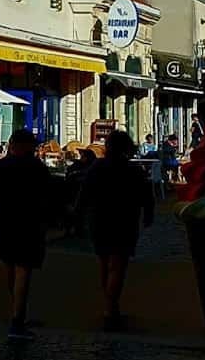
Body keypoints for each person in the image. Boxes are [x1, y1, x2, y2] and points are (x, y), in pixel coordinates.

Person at [0, 129, 52, 342]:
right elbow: (48, 199)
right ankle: (17, 319)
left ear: (12, 145)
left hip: (5, 224)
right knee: (23, 272)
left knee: (10, 268)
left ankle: (17, 311)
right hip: (30, 225)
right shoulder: (38, 168)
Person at [80, 130, 154, 330]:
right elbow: (147, 195)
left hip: (99, 219)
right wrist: (148, 215)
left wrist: (78, 213)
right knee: (118, 265)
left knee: (104, 263)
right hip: (124, 220)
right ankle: (111, 306)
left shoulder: (97, 167)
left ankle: (109, 304)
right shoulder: (133, 170)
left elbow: (84, 192)